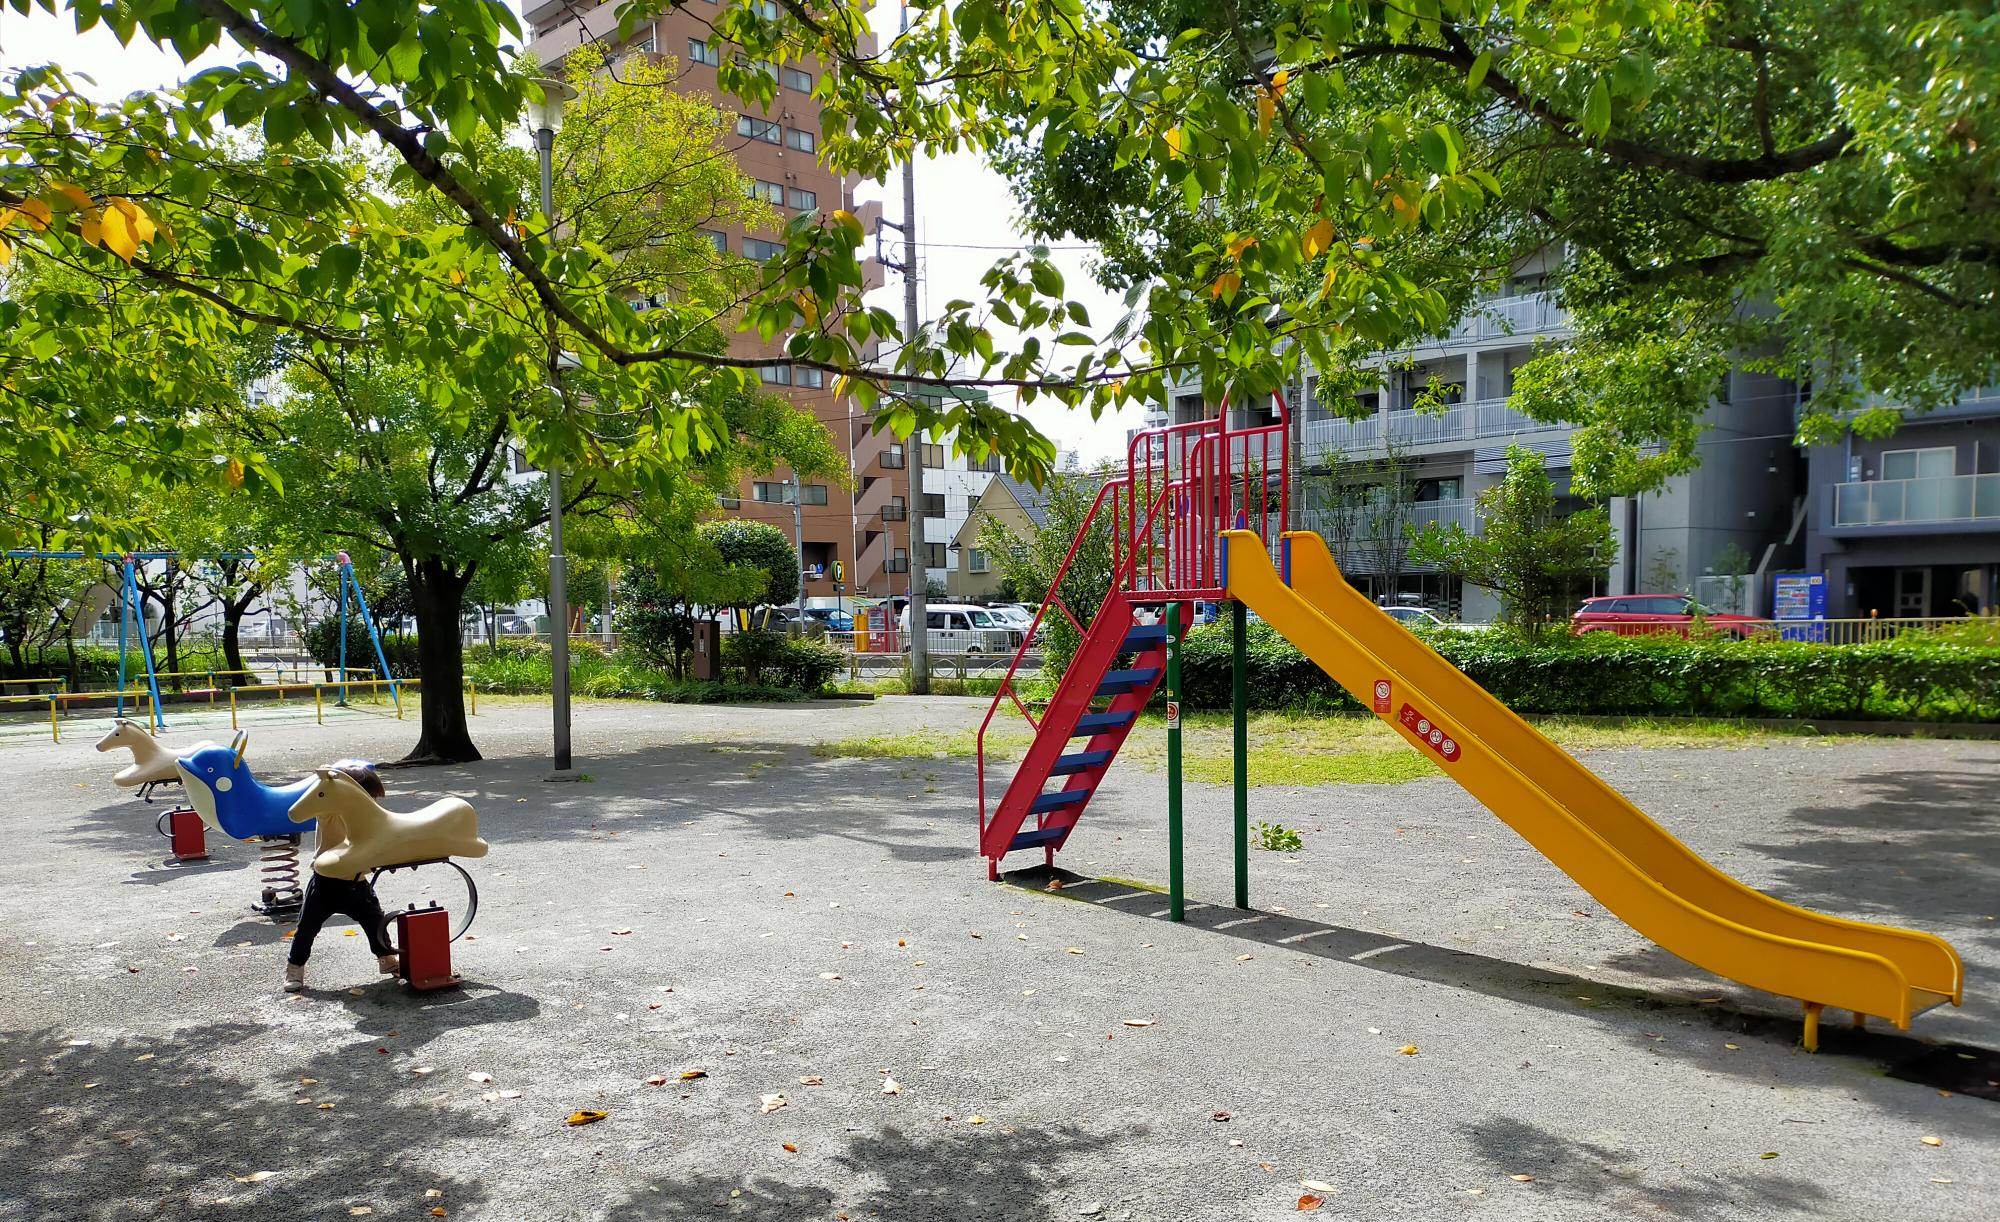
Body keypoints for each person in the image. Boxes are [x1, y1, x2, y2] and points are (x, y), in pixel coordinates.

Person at [284, 758, 397, 992]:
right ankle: (295, 968)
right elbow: (320, 792)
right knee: (307, 927)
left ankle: (386, 958)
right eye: (369, 797)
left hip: (356, 881)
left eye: (373, 799)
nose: (372, 802)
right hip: (325, 883)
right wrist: (331, 777)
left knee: (375, 921)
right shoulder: (330, 812)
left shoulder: (369, 816)